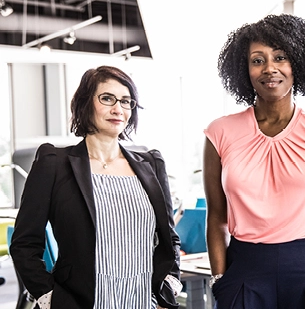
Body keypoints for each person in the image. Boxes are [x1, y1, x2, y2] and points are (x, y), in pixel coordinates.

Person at [203, 14, 305, 308]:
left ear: (298, 64)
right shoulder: (219, 133)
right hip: (245, 269)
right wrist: (219, 280)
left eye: (280, 57)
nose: (270, 69)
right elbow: (216, 216)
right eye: (257, 60)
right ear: (244, 68)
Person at [10, 66, 182, 309]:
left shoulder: (152, 164)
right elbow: (24, 244)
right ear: (84, 102)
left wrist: (169, 286)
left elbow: (169, 238)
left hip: (145, 302)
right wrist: (52, 299)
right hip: (80, 302)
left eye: (125, 101)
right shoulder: (54, 163)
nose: (118, 109)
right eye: (107, 98)